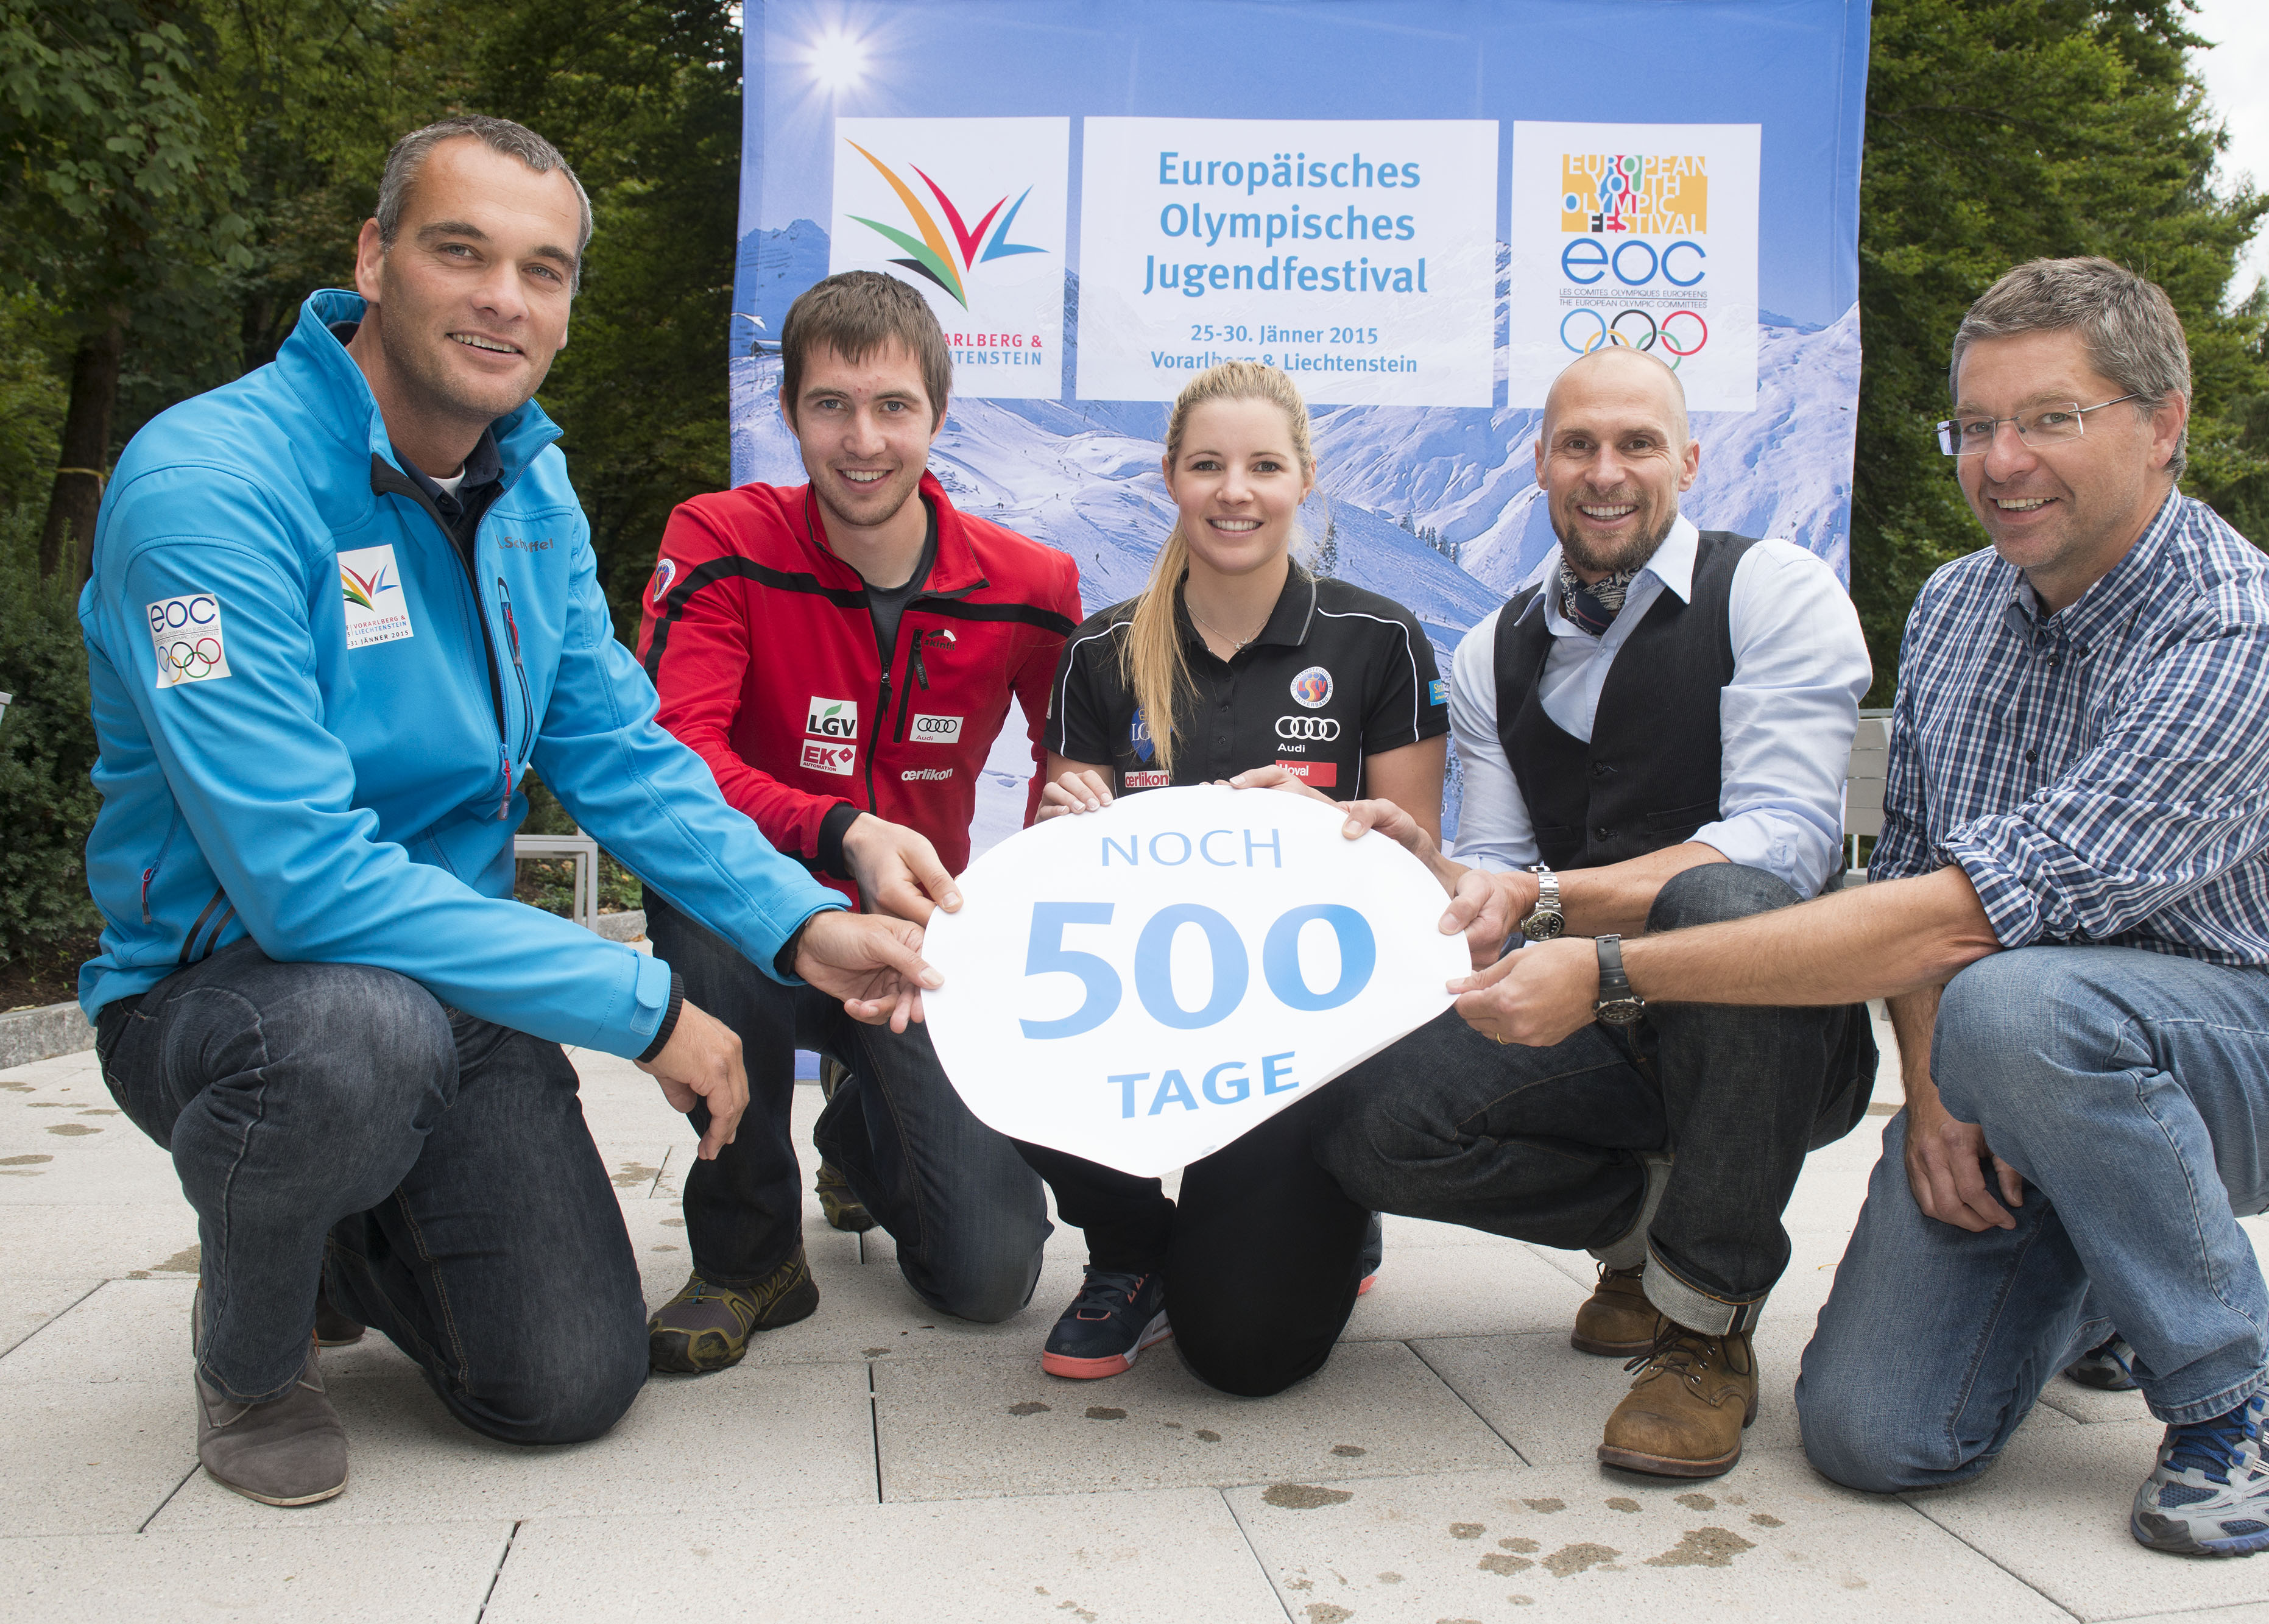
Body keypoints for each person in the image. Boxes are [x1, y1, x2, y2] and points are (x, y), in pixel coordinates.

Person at [1374, 258, 2269, 1555]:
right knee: (1874, 1434)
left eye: (2050, 418)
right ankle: (2109, 1271)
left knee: (2020, 1003)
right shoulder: (1960, 606)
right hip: (2016, 1052)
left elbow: (1954, 920)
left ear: (2162, 425)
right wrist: (1937, 1093)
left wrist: (1607, 965)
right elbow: (1915, 864)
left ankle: (2234, 1378)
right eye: (1975, 425)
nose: (2001, 461)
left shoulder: (2240, 633)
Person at [76, 117, 936, 1509]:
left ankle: (341, 1223)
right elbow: (303, 882)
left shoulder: (529, 481)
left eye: (543, 270)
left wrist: (802, 925)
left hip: (455, 980)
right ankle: (254, 1352)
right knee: (356, 1038)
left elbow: (620, 750)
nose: (503, 298)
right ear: (373, 258)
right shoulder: (205, 493)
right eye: (460, 251)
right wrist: (645, 1005)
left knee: (565, 1383)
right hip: (230, 993)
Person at [1291, 341, 1877, 1477]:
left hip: (1780, 1027)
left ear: (1688, 463)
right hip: (1601, 1023)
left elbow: (1786, 843)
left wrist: (1551, 899)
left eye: (1637, 444)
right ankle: (1647, 1229)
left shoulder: (1775, 591)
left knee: (1725, 897)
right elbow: (1500, 874)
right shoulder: (1490, 651)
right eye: (1578, 446)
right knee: (1370, 1121)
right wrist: (1425, 864)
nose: (1606, 472)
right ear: (1542, 466)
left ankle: (1705, 1332)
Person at [633, 270, 1081, 1372]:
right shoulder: (720, 538)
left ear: (939, 412)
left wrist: (1035, 883)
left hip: (914, 947)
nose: (863, 439)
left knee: (989, 1280)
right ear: (789, 411)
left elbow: (1069, 769)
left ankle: (856, 1124)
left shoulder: (1032, 584)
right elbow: (674, 760)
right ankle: (749, 1256)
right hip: (756, 917)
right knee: (700, 902)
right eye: (830, 404)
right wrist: (841, 831)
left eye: (893, 406)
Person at [1022, 359, 1449, 1383]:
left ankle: (1333, 1202)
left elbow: (1424, 874)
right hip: (1140, 1003)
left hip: (1307, 1029)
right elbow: (1054, 884)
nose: (1235, 491)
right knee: (988, 1018)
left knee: (1246, 1353)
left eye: (1264, 466)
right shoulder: (1102, 648)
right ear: (1171, 475)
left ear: (1304, 478)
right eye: (1208, 465)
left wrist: (1331, 824)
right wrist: (1064, 825)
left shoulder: (1379, 638)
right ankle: (1129, 1250)